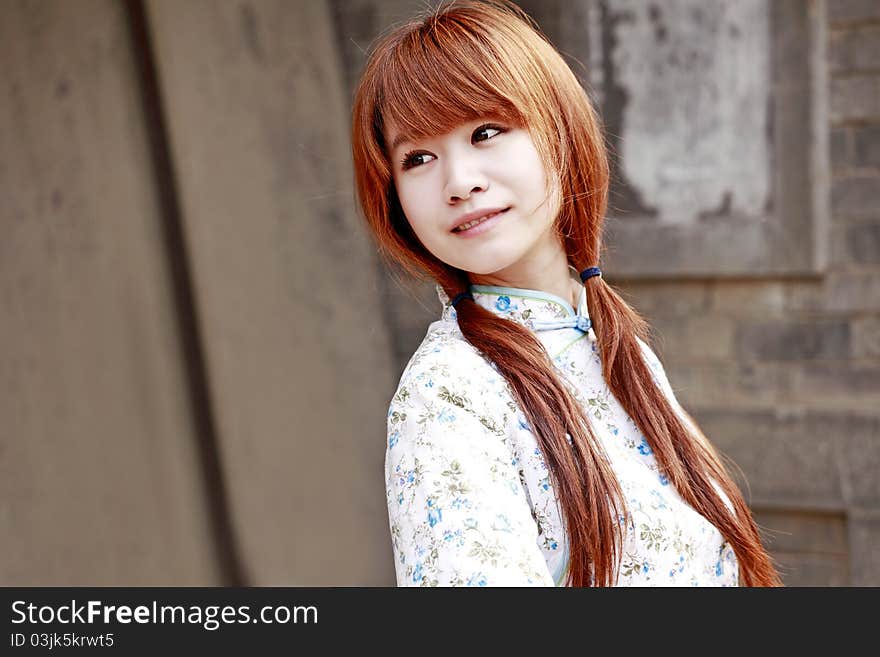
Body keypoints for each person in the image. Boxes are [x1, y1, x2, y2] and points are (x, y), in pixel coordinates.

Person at [350, 0, 783, 586]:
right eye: (418, 157)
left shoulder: (618, 348)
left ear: (559, 131)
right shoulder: (450, 394)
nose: (459, 181)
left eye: (486, 131)